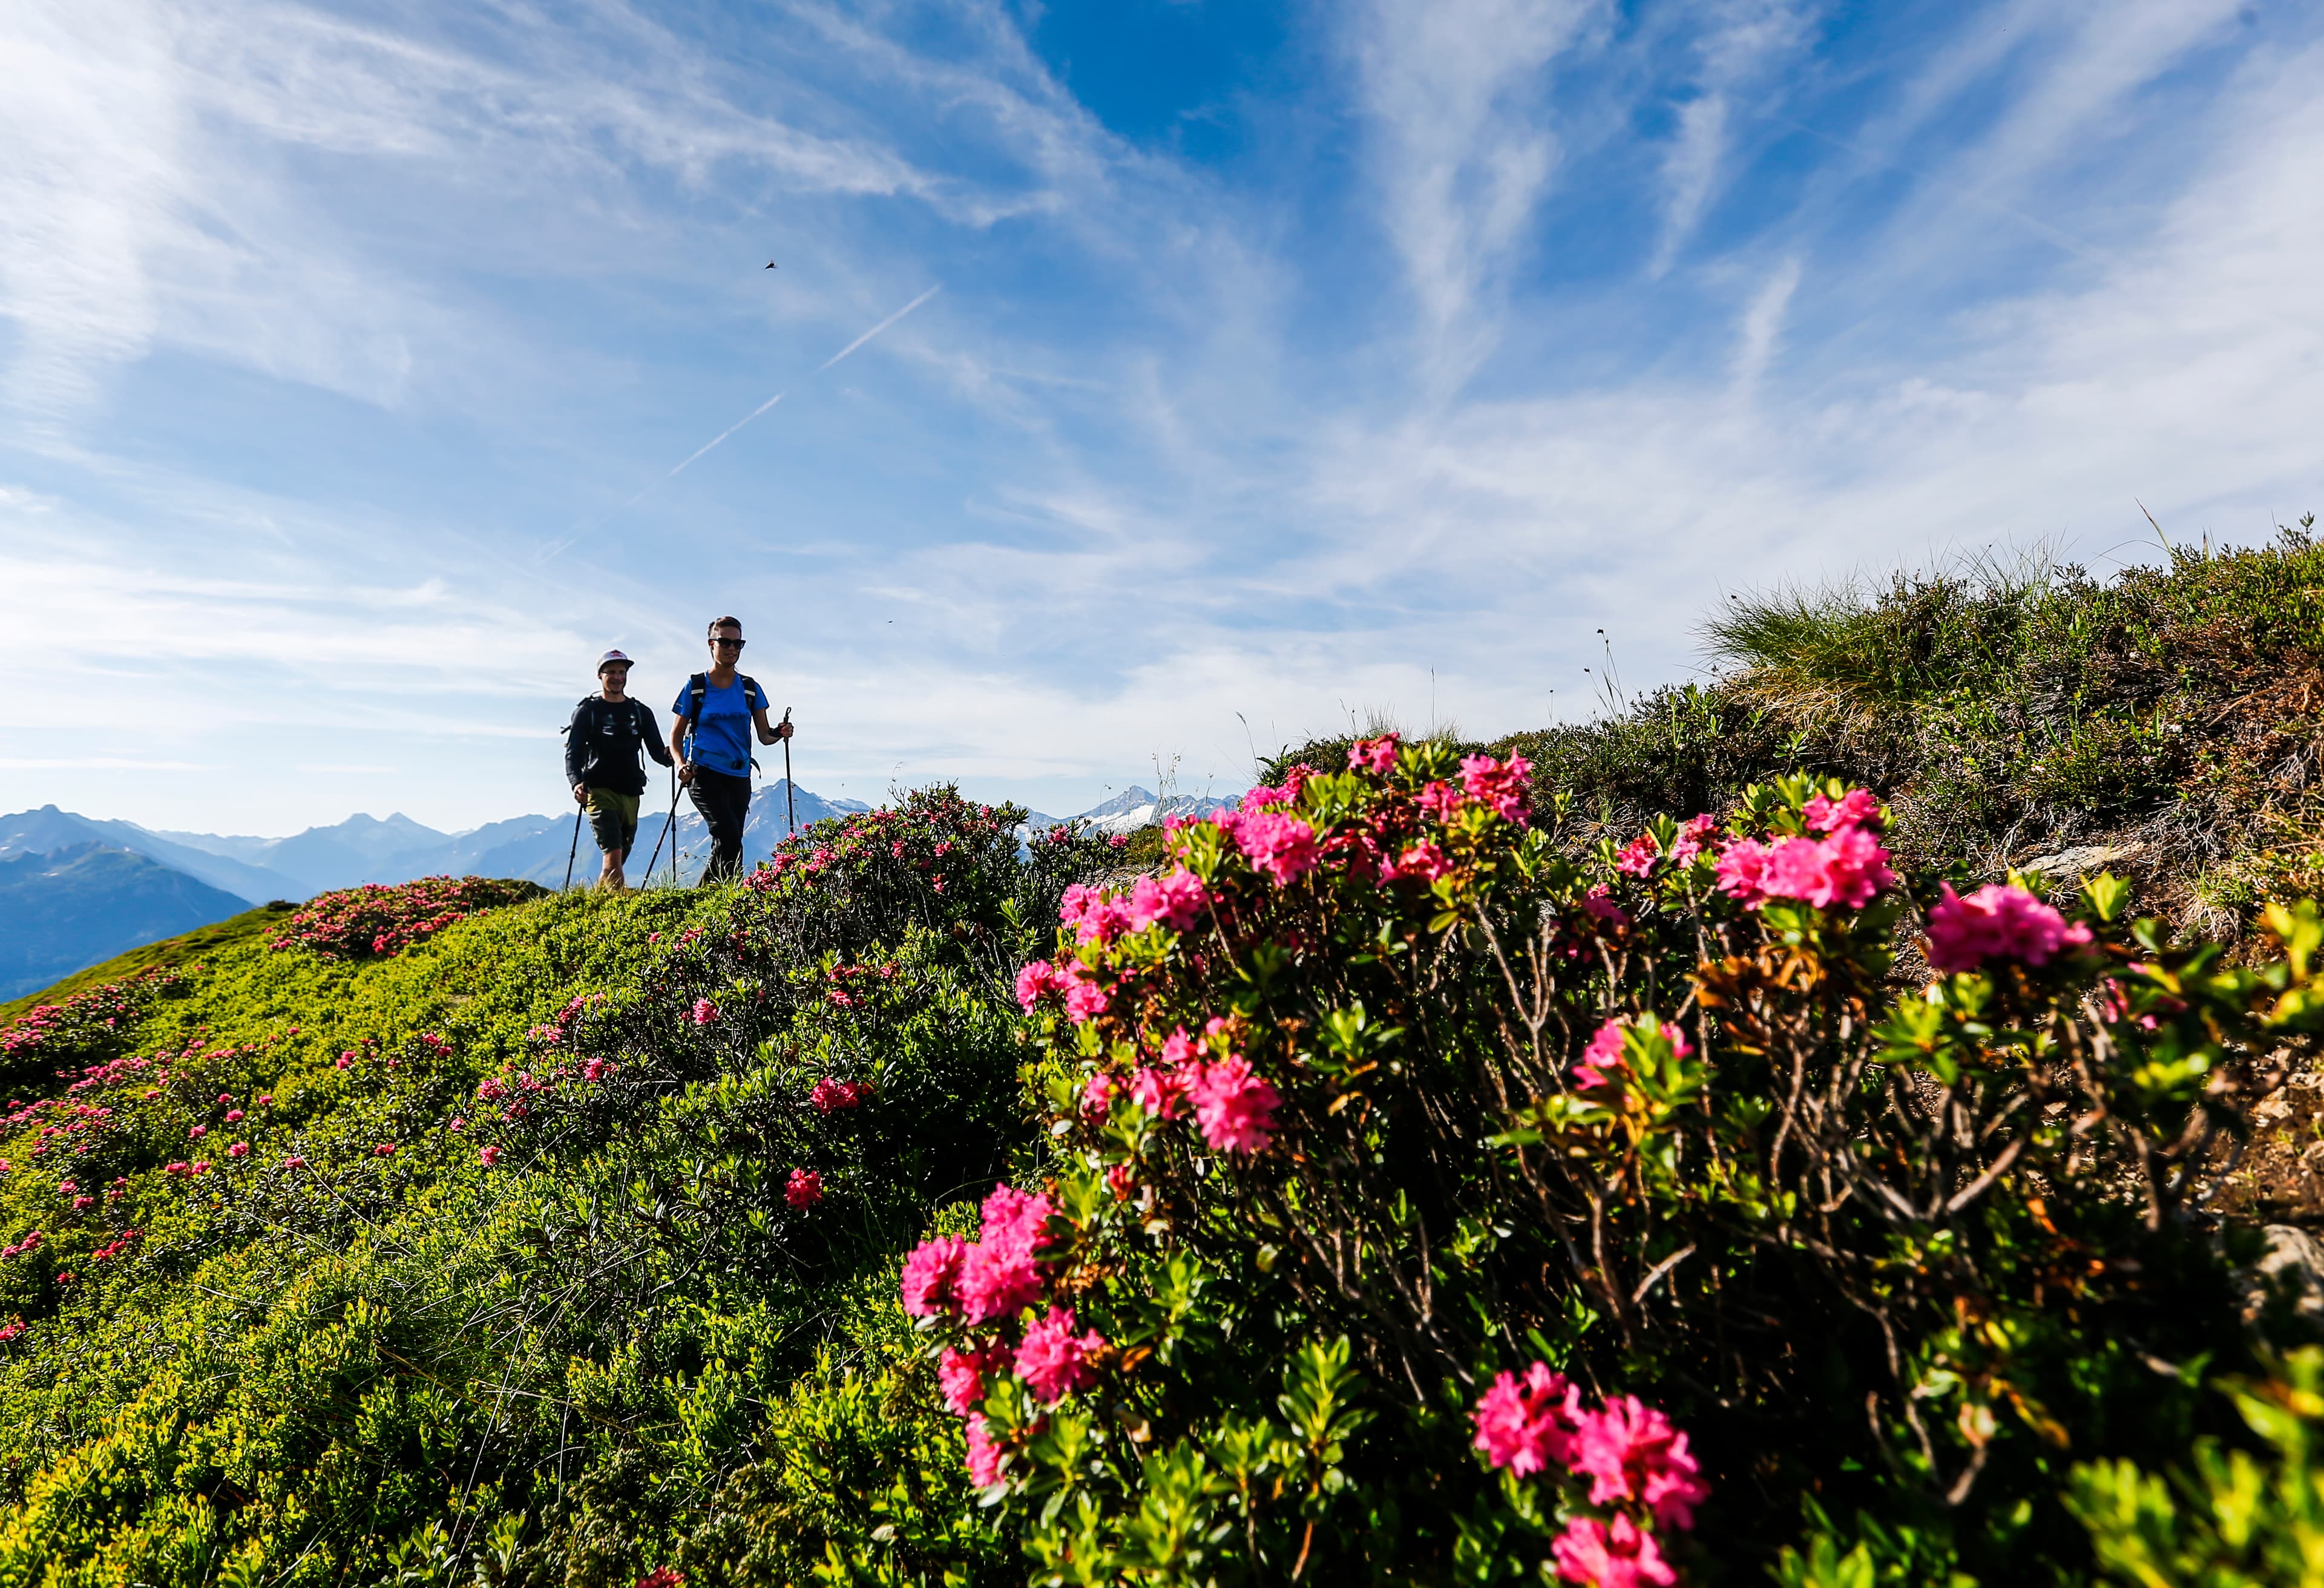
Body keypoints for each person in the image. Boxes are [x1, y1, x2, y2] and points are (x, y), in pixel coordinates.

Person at [669, 616, 792, 885]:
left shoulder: (749, 688)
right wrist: (680, 764)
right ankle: (707, 902)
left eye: (738, 643)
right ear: (711, 644)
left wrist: (779, 733)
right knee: (728, 837)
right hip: (703, 773)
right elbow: (675, 736)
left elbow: (764, 735)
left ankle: (719, 903)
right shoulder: (696, 686)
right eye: (725, 642)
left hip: (739, 777)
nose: (732, 648)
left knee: (732, 841)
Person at [565, 650, 674, 891]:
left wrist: (678, 757)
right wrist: (577, 783)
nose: (617, 677)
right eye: (611, 672)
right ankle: (621, 907)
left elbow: (657, 752)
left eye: (621, 672)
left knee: (619, 856)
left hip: (631, 791)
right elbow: (573, 753)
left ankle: (598, 900)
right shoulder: (588, 712)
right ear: (600, 675)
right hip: (599, 790)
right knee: (613, 852)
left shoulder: (640, 712)